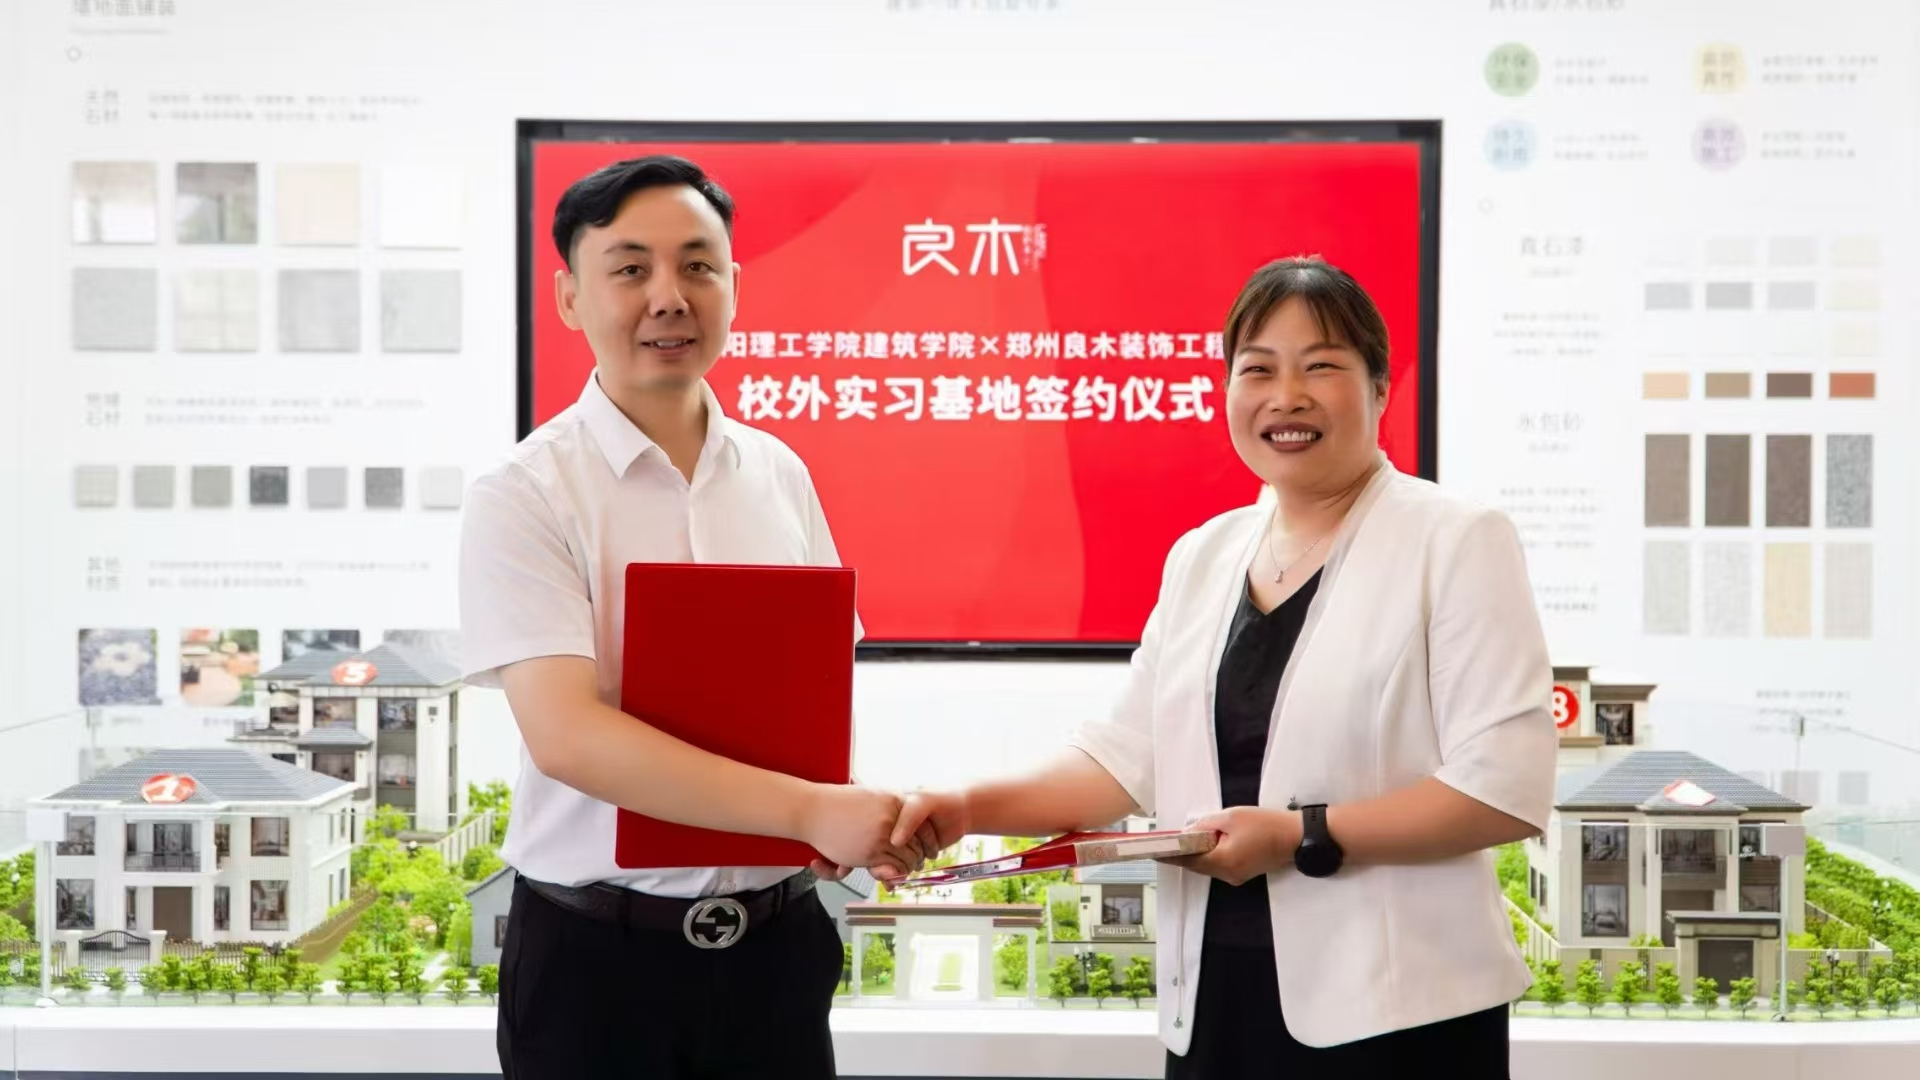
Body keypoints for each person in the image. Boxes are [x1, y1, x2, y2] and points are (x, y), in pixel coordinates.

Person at [887, 256, 1556, 1076]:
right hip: (1216, 997)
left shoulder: (1455, 539)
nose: (1287, 397)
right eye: (1258, 370)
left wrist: (1301, 836)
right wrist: (963, 807)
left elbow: (1502, 790)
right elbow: (1123, 759)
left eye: (1321, 367)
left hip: (1402, 1012)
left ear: (1381, 388)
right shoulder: (1203, 555)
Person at [459, 155, 924, 1079]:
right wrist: (812, 809)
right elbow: (568, 738)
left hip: (778, 953)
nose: (669, 297)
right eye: (630, 268)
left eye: (698, 266)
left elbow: (807, 698)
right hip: (597, 971)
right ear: (569, 298)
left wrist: (852, 812)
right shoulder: (523, 492)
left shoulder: (780, 473)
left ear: (734, 287)